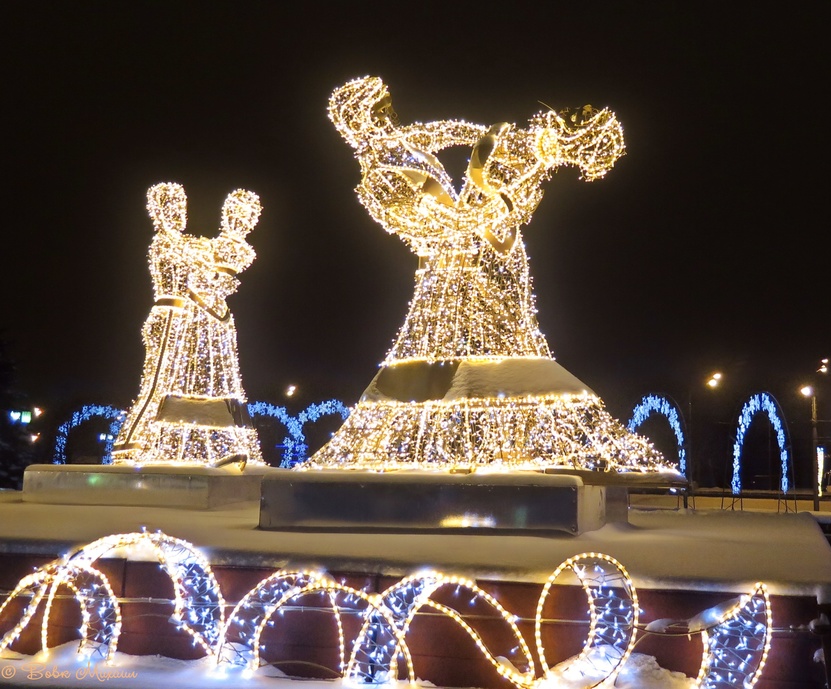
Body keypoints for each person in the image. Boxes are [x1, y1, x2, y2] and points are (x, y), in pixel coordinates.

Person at [308, 76, 670, 473]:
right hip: (451, 266)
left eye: (388, 107)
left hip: (482, 246)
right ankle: (457, 451)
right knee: (469, 356)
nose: (389, 116)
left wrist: (500, 139)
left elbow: (452, 132)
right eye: (379, 111)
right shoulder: (378, 178)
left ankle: (511, 448)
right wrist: (499, 205)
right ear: (357, 122)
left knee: (507, 339)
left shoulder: (406, 141)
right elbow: (439, 225)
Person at [111, 183, 262, 467]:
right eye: (172, 207)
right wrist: (216, 266)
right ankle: (129, 446)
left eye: (181, 207)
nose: (179, 213)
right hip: (169, 315)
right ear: (159, 212)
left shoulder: (186, 243)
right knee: (156, 383)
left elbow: (212, 267)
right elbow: (198, 275)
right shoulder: (166, 244)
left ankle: (142, 443)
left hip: (182, 317)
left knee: (167, 384)